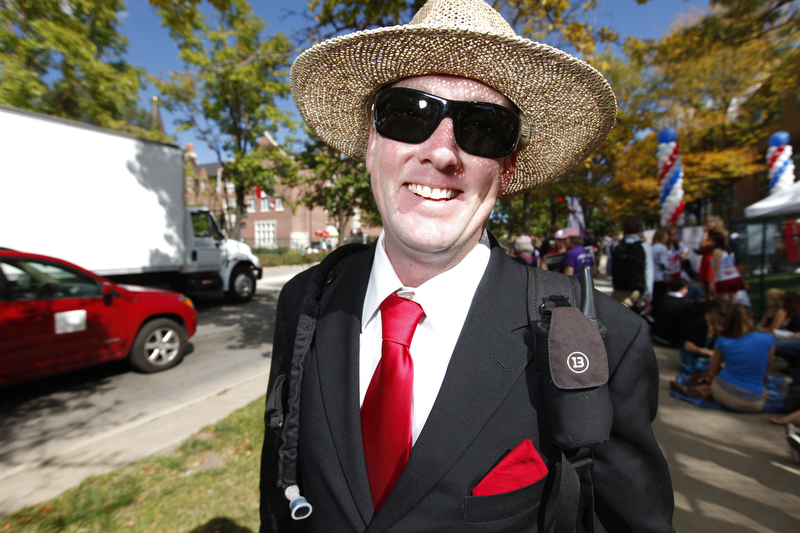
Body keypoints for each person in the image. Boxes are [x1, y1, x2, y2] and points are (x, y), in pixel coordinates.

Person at [260, 1, 675, 531]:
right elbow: (279, 491)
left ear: (507, 167)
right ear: (371, 144)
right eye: (409, 114)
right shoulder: (304, 302)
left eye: (482, 128)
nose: (442, 152)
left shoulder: (603, 342)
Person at [670, 304, 775, 413]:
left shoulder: (723, 341)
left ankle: (700, 392)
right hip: (754, 403)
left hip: (723, 392)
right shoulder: (769, 340)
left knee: (718, 381)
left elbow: (711, 374)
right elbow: (767, 374)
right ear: (751, 319)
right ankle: (701, 393)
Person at [607, 217, 653, 308]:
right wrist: (648, 293)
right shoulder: (645, 246)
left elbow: (609, 270)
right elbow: (648, 271)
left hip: (619, 290)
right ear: (639, 230)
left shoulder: (616, 246)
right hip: (638, 291)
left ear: (624, 230)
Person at [678, 299, 727, 376]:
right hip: (690, 361)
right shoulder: (699, 324)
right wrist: (711, 353)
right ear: (713, 311)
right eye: (722, 314)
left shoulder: (714, 326)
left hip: (703, 358)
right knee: (719, 368)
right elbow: (688, 346)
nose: (724, 318)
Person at [651, 278, 697, 348]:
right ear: (683, 288)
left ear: (670, 287)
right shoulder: (688, 304)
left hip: (656, 336)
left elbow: (653, 316)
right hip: (674, 341)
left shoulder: (660, 300)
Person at [697, 215, 728, 297]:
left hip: (713, 262)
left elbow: (704, 244)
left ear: (716, 223)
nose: (709, 224)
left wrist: (705, 233)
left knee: (713, 288)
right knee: (705, 288)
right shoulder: (708, 235)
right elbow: (702, 246)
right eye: (708, 222)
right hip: (705, 262)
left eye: (711, 222)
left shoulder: (719, 235)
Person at [709, 230, 743, 303]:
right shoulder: (727, 249)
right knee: (733, 301)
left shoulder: (716, 251)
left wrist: (712, 282)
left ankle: (727, 314)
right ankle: (735, 314)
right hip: (735, 276)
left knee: (724, 303)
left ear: (714, 241)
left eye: (710, 240)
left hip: (724, 278)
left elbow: (716, 268)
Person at [651, 228, 670, 307]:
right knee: (660, 300)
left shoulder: (652, 246)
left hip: (652, 276)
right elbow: (663, 263)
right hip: (660, 277)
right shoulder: (662, 247)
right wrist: (668, 269)